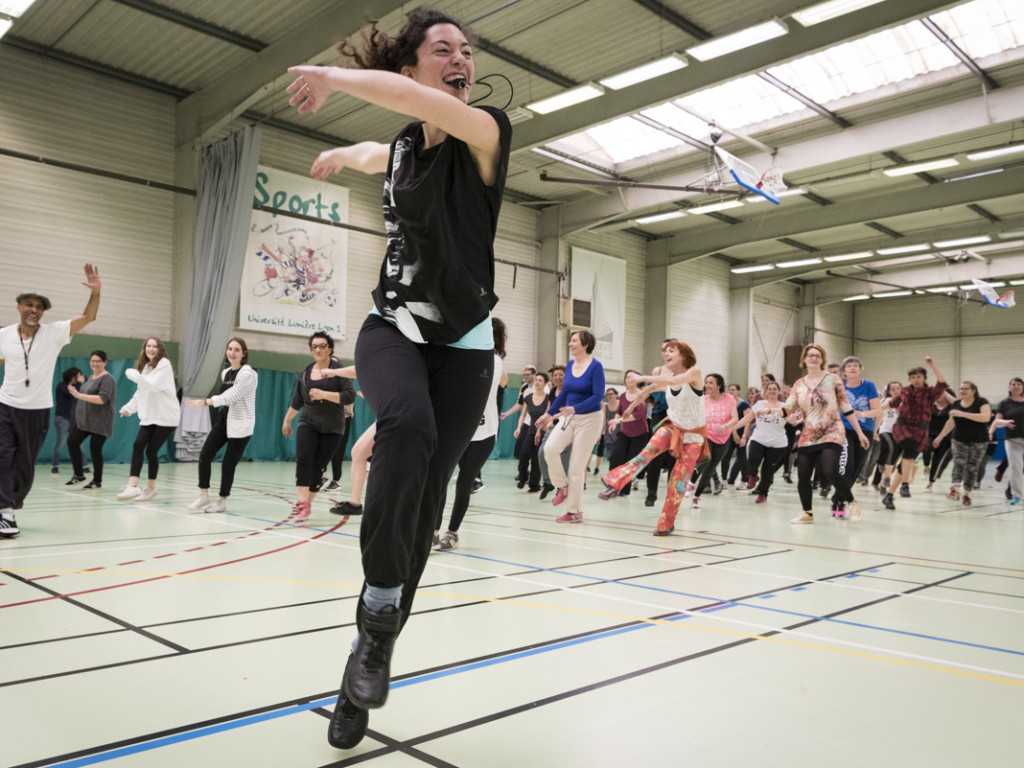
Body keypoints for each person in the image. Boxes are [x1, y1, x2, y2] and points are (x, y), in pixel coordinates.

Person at [286, 7, 513, 750]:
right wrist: (340, 157)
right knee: (403, 430)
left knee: (423, 506)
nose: (462, 60)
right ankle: (380, 614)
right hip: (393, 327)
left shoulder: (488, 134)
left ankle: (368, 651)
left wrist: (336, 79)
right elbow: (376, 145)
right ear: (412, 62)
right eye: (442, 48)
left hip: (466, 345)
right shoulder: (400, 151)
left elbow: (416, 107)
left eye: (467, 51)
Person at [0, 265, 101, 537]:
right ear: (19, 307)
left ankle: (10, 504)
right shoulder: (4, 335)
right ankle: (5, 511)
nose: (34, 310)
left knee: (25, 463)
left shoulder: (54, 332)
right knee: (2, 456)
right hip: (6, 407)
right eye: (29, 304)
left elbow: (89, 316)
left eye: (40, 307)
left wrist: (96, 292)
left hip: (37, 411)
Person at [598, 340, 707, 535]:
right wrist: (632, 405)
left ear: (684, 355)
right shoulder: (668, 381)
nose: (665, 354)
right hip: (673, 428)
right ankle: (616, 484)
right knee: (646, 453)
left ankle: (666, 524)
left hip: (693, 437)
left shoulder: (694, 373)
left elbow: (672, 382)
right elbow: (650, 390)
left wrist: (641, 377)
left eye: (671, 351)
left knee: (677, 482)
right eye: (664, 351)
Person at [434, 317, 508, 549]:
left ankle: (452, 533)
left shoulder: (493, 360)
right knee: (442, 480)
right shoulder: (463, 354)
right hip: (458, 428)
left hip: (484, 432)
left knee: (464, 483)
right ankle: (433, 531)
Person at [785, 343, 869, 524]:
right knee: (803, 476)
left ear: (822, 360)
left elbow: (845, 407)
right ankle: (807, 513)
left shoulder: (833, 379)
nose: (814, 358)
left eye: (817, 355)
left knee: (829, 470)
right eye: (810, 355)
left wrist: (860, 433)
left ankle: (852, 502)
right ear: (804, 360)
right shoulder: (799, 384)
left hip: (832, 430)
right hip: (809, 433)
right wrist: (778, 413)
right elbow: (789, 407)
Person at [281, 332, 355, 520]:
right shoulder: (305, 374)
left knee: (318, 467)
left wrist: (325, 395)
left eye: (322, 346)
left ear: (330, 349)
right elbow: (297, 400)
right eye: (314, 347)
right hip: (308, 422)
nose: (318, 350)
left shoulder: (338, 370)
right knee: (304, 459)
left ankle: (308, 503)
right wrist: (287, 420)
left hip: (332, 428)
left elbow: (349, 396)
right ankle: (301, 504)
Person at [535, 330, 606, 523]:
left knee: (576, 467)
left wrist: (575, 409)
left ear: (585, 344)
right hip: (569, 417)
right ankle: (562, 486)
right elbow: (564, 393)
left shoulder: (596, 367)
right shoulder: (570, 365)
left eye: (574, 341)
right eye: (570, 341)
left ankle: (574, 512)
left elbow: (597, 397)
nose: (570, 344)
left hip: (590, 419)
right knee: (549, 449)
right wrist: (548, 414)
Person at [185, 338, 259, 513]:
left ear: (244, 354)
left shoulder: (248, 374)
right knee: (205, 455)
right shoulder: (226, 373)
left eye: (237, 350)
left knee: (228, 464)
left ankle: (222, 501)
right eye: (230, 349)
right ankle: (204, 495)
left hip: (241, 425)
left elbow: (231, 396)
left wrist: (205, 402)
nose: (232, 352)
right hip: (223, 421)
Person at [116, 337, 181, 502]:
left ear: (160, 349)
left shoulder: (164, 364)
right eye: (148, 346)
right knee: (138, 445)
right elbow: (141, 391)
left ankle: (150, 489)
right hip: (150, 416)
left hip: (166, 417)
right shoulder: (146, 367)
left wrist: (135, 375)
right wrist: (129, 408)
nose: (151, 349)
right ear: (144, 349)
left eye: (155, 346)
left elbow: (152, 385)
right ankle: (133, 486)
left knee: (151, 450)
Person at [881, 357, 949, 511]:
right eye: (912, 377)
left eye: (918, 377)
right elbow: (893, 403)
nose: (916, 380)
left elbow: (942, 383)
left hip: (921, 429)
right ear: (909, 379)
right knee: (909, 449)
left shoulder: (931, 392)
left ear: (924, 378)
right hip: (903, 426)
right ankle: (905, 485)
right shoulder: (905, 390)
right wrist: (871, 412)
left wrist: (932, 365)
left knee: (903, 465)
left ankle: (889, 495)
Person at [831, 356, 880, 515]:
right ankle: (839, 501)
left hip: (865, 430)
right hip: (845, 430)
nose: (852, 368)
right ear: (844, 371)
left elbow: (877, 410)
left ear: (860, 369)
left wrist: (862, 414)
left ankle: (839, 497)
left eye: (855, 366)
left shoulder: (869, 386)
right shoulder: (840, 387)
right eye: (849, 366)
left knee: (857, 469)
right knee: (847, 465)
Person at [932, 381, 991, 507]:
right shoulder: (957, 404)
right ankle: (955, 489)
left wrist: (963, 414)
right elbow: (951, 422)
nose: (963, 391)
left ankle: (967, 494)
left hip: (979, 440)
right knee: (958, 463)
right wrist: (940, 437)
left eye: (966, 389)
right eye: (961, 389)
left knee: (972, 466)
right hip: (959, 439)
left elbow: (986, 417)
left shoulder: (981, 402)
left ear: (973, 391)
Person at [67, 351, 116, 490]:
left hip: (101, 421)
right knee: (72, 442)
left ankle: (97, 481)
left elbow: (102, 399)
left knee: (95, 450)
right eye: (93, 360)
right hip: (85, 420)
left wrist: (78, 395)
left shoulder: (108, 379)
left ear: (105, 362)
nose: (95, 363)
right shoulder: (91, 378)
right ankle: (79, 475)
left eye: (98, 361)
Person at [733, 380, 788, 503]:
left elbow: (792, 420)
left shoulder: (784, 406)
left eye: (775, 389)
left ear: (778, 391)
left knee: (768, 470)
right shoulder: (760, 404)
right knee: (753, 458)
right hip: (759, 438)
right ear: (766, 391)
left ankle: (763, 493)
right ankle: (752, 474)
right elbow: (748, 418)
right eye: (770, 389)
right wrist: (732, 427)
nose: (772, 391)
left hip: (777, 443)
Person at [690, 373, 738, 510]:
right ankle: (691, 483)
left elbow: (735, 418)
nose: (707, 385)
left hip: (723, 438)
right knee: (706, 459)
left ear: (719, 385)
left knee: (711, 469)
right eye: (706, 382)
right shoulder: (702, 399)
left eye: (711, 383)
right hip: (707, 435)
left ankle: (696, 496)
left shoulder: (729, 399)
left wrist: (725, 426)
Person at [606, 370, 651, 497]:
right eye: (627, 377)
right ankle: (612, 485)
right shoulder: (623, 395)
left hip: (640, 435)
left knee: (629, 462)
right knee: (615, 456)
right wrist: (615, 423)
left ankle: (624, 490)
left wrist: (618, 420)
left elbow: (637, 415)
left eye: (632, 377)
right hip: (625, 433)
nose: (629, 379)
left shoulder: (642, 395)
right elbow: (619, 411)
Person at [513, 371, 550, 493]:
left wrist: (540, 430)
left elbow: (547, 416)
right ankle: (523, 478)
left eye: (540, 380)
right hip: (531, 430)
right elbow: (523, 415)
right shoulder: (528, 398)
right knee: (523, 455)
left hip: (543, 431)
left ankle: (535, 486)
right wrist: (518, 428)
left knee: (536, 459)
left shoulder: (548, 399)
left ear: (545, 383)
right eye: (536, 380)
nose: (537, 382)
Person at [991, 378, 1023, 505]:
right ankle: (1017, 495)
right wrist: (1005, 423)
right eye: (1013, 384)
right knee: (1016, 467)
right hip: (1013, 439)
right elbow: (998, 421)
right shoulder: (1004, 403)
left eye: (1019, 384)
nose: (1016, 386)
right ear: (1009, 388)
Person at [52, 367, 83, 474]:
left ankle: (84, 466)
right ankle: (55, 466)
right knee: (61, 442)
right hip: (62, 419)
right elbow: (73, 395)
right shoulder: (61, 386)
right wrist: (79, 383)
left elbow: (79, 396)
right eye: (78, 375)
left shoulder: (76, 386)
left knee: (78, 443)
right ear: (73, 376)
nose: (80, 378)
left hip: (73, 419)